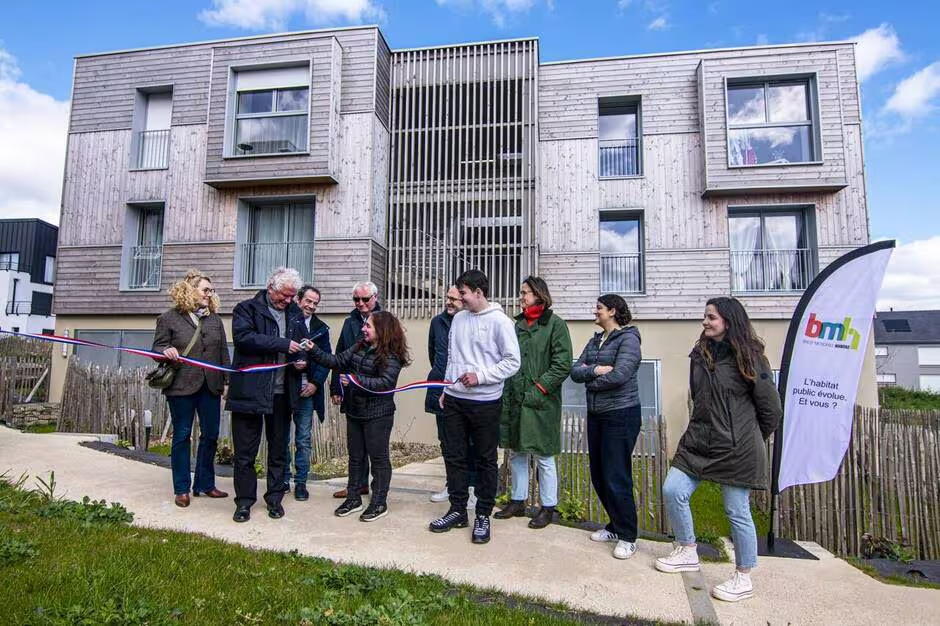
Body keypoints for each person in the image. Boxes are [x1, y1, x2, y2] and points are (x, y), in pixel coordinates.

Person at [654, 296, 782, 603]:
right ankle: (687, 550)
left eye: (711, 317)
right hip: (699, 440)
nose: (704, 322)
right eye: (705, 316)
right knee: (673, 490)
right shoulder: (699, 354)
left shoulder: (751, 358)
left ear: (728, 320)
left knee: (736, 510)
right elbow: (697, 396)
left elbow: (772, 410)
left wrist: (747, 436)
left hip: (736, 446)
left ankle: (744, 576)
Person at [428, 269, 520, 544]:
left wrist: (480, 377)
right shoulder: (458, 320)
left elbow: (512, 362)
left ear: (479, 292)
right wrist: (446, 389)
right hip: (455, 399)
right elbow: (453, 358)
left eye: (464, 293)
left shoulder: (501, 322)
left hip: (485, 402)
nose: (460, 298)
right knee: (454, 455)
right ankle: (457, 509)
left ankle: (482, 514)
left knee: (485, 459)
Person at [305, 310, 410, 521]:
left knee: (378, 459)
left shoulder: (392, 355)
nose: (363, 329)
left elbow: (386, 383)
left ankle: (379, 502)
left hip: (378, 414)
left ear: (382, 330)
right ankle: (353, 498)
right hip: (355, 411)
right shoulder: (360, 345)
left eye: (368, 326)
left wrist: (355, 381)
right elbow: (336, 361)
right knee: (355, 457)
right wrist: (314, 349)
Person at [226, 267, 305, 523]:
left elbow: (301, 345)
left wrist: (301, 359)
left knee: (278, 450)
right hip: (249, 393)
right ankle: (244, 502)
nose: (289, 301)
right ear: (271, 288)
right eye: (284, 295)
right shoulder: (246, 309)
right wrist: (283, 344)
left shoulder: (295, 313)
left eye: (293, 296)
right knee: (245, 453)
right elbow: (243, 338)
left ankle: (274, 499)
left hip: (282, 394)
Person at [569, 294, 642, 559]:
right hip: (597, 414)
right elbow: (575, 371)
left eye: (599, 308)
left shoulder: (629, 339)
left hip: (621, 415)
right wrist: (595, 371)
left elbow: (621, 374)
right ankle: (614, 526)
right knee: (599, 474)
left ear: (612, 311)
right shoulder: (594, 340)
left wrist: (591, 378)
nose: (594, 311)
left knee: (616, 475)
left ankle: (628, 536)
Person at [495, 277, 572, 529]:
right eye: (521, 293)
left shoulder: (555, 325)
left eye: (525, 293)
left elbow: (562, 364)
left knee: (543, 456)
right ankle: (518, 501)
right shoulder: (515, 325)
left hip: (541, 403)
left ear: (539, 295)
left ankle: (548, 507)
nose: (521, 297)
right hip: (515, 400)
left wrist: (539, 389)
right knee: (517, 452)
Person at [152, 270, 230, 508]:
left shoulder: (215, 319)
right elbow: (157, 349)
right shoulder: (168, 318)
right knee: (183, 435)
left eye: (211, 290)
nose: (209, 294)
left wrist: (226, 381)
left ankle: (205, 484)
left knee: (211, 436)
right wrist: (166, 352)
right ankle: (182, 488)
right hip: (181, 386)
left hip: (210, 385)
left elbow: (223, 353)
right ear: (189, 290)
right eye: (205, 289)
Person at [425, 285, 477, 508]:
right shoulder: (437, 322)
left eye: (455, 299)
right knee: (447, 441)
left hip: (466, 391)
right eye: (448, 297)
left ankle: (472, 488)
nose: (449, 302)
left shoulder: (471, 321)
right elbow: (433, 353)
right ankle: (452, 484)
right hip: (440, 388)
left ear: (465, 300)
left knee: (470, 442)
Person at [330, 281, 382, 499]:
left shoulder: (386, 320)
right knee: (355, 446)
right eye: (356, 300)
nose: (360, 303)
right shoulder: (350, 322)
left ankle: (378, 490)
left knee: (375, 447)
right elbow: (339, 355)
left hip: (374, 393)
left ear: (375, 298)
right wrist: (336, 387)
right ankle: (356, 485)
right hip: (351, 392)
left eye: (365, 299)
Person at [284, 285, 331, 501]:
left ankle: (301, 482)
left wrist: (315, 382)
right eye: (308, 301)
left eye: (315, 303)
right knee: (281, 436)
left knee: (303, 439)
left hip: (308, 391)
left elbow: (326, 359)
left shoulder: (321, 328)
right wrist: (292, 365)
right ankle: (283, 479)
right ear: (298, 300)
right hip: (286, 388)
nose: (311, 306)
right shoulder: (285, 321)